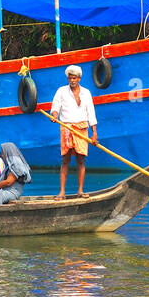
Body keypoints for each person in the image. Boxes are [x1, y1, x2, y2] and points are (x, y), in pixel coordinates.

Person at [51, 64, 97, 198]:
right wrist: (54, 115)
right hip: (66, 128)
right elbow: (55, 107)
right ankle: (62, 192)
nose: (72, 80)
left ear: (79, 78)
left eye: (74, 78)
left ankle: (80, 191)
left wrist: (94, 133)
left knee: (81, 160)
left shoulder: (86, 93)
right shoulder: (61, 91)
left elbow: (91, 113)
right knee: (65, 160)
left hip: (82, 128)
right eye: (70, 78)